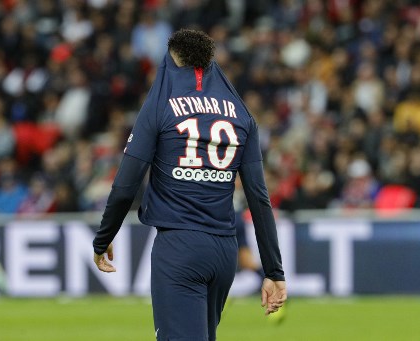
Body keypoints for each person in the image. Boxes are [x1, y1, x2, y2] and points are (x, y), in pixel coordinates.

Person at [92, 29, 286, 341]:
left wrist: (103, 238)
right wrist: (274, 271)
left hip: (180, 247)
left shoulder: (161, 106)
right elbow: (258, 197)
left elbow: (126, 185)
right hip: (224, 251)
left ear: (173, 61)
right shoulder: (241, 114)